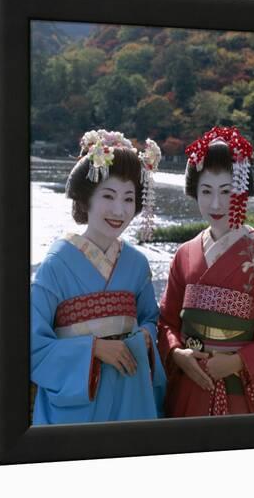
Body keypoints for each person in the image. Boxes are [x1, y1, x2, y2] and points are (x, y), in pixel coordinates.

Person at [31, 130, 166, 425]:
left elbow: (151, 319)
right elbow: (31, 343)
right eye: (108, 195)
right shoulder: (56, 264)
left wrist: (145, 335)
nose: (119, 210)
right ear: (86, 198)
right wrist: (94, 350)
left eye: (129, 198)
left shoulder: (137, 264)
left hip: (131, 391)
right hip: (79, 403)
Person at [158, 126, 254, 416]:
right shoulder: (184, 254)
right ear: (194, 191)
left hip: (238, 390)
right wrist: (178, 354)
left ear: (242, 191)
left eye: (226, 191)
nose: (216, 203)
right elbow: (166, 321)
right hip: (189, 385)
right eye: (206, 191)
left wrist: (235, 362)